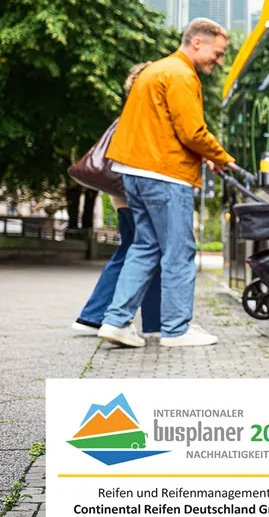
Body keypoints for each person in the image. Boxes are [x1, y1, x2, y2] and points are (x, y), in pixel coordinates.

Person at [98, 18, 237, 349]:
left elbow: (162, 127)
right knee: (179, 250)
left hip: (135, 171)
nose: (219, 62)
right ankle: (176, 329)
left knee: (145, 246)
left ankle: (116, 321)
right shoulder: (181, 74)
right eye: (217, 54)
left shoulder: (154, 71)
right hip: (165, 174)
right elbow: (192, 132)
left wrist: (203, 156)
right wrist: (221, 157)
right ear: (198, 42)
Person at [72, 63, 163, 337]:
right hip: (134, 196)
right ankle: (95, 315)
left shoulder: (128, 114)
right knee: (138, 251)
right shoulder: (142, 115)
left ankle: (152, 321)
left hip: (122, 197)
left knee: (142, 252)